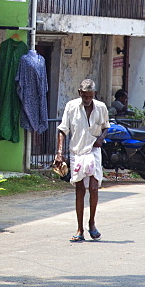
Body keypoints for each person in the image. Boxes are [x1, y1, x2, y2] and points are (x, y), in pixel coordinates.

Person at [53, 79, 109, 242]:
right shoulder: (71, 107)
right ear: (80, 93)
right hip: (77, 152)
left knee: (93, 187)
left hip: (93, 150)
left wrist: (101, 138)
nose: (87, 99)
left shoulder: (101, 107)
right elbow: (63, 130)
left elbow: (106, 127)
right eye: (85, 96)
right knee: (79, 189)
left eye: (90, 96)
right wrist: (59, 153)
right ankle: (79, 229)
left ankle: (92, 223)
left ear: (94, 94)